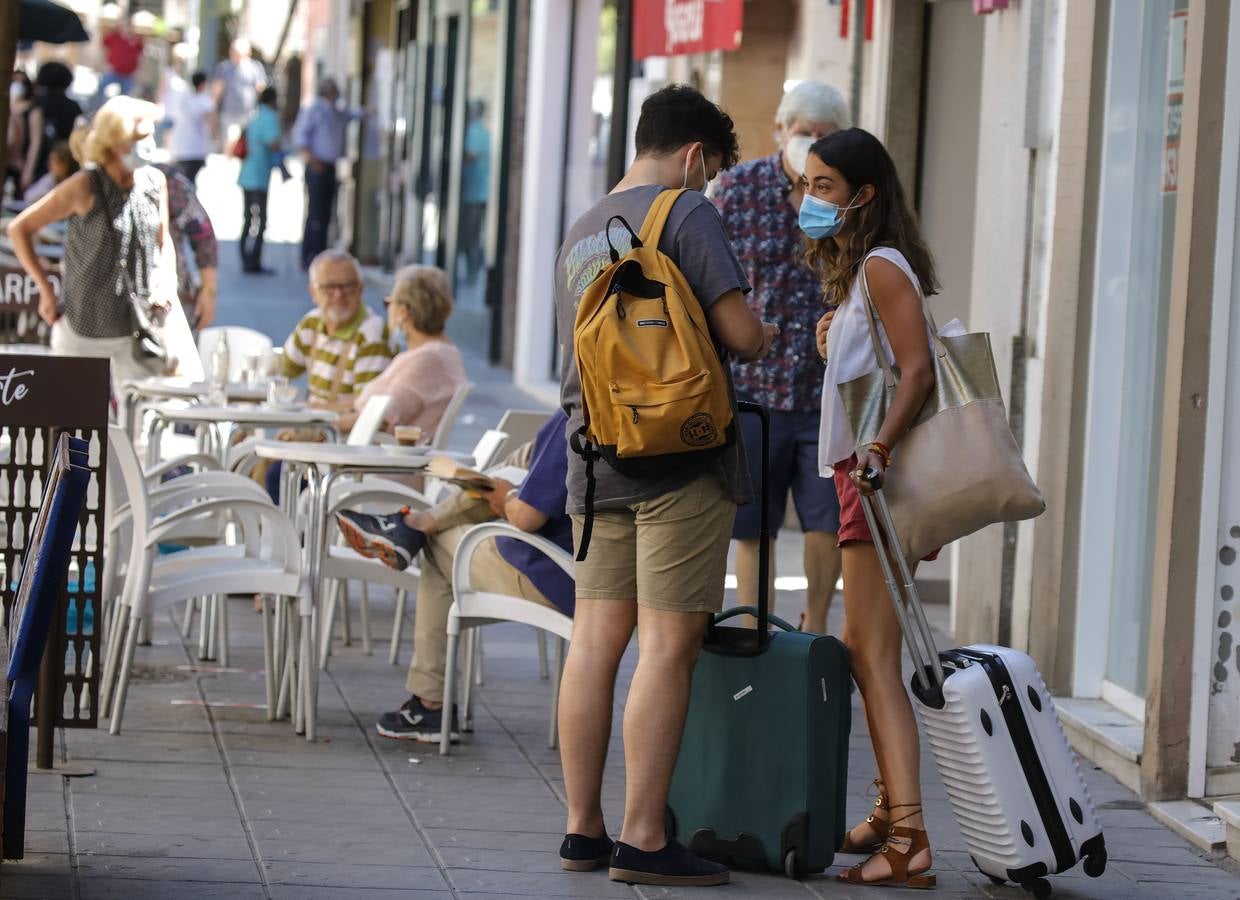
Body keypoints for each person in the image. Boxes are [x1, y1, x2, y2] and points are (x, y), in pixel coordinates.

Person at [553, 84, 777, 886]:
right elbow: (740, 336)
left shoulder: (580, 231)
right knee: (668, 645)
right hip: (681, 461)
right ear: (694, 155)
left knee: (594, 642)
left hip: (597, 455)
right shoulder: (688, 214)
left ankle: (582, 829)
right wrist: (770, 330)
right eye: (711, 169)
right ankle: (644, 837)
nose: (709, 183)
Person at [808, 128, 940, 888]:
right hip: (858, 476)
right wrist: (837, 342)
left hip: (871, 480)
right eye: (809, 185)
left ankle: (912, 836)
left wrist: (879, 449)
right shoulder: (868, 271)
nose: (811, 200)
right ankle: (893, 812)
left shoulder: (884, 266)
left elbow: (917, 372)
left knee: (872, 658)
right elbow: (886, 364)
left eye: (824, 186)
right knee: (865, 649)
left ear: (864, 194)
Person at [334, 409, 573, 742]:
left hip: (554, 575)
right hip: (603, 577)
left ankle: (430, 703)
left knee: (440, 544)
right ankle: (414, 524)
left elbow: (527, 517)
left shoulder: (577, 414)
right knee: (525, 457)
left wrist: (506, 498)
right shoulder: (633, 413)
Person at [710, 80, 849, 635]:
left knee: (827, 521)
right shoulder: (739, 189)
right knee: (753, 526)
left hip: (824, 392)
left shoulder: (848, 196)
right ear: (780, 132)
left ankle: (814, 623)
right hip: (754, 391)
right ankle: (755, 629)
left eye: (824, 134)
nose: (812, 142)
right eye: (803, 132)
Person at [7, 96, 178, 395]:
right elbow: (19, 229)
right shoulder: (85, 185)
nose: (150, 142)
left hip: (134, 328)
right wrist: (45, 289)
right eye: (141, 136)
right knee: (71, 425)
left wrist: (166, 283)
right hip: (82, 324)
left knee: (134, 429)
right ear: (116, 140)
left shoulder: (153, 182)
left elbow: (164, 242)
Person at [264, 249, 395, 500]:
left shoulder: (372, 334)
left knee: (276, 474)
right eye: (329, 287)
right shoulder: (312, 323)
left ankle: (290, 538)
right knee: (255, 460)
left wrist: (310, 411)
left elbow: (363, 406)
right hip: (319, 433)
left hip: (345, 445)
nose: (339, 295)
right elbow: (281, 374)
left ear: (360, 289)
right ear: (313, 292)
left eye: (347, 287)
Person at [347, 265, 466, 434]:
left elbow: (379, 419)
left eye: (388, 303)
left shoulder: (428, 361)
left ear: (403, 312)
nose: (388, 310)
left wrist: (324, 427)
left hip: (376, 451)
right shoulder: (436, 354)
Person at [292, 78, 359, 269]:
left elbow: (350, 115)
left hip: (330, 166)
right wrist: (313, 160)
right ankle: (310, 256)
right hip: (317, 166)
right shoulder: (314, 109)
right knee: (315, 214)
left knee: (326, 214)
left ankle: (320, 255)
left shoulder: (335, 111)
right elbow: (301, 137)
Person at [154, 163, 217, 329]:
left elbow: (204, 235)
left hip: (170, 299)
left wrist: (208, 291)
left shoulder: (166, 180)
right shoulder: (88, 182)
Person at [21, 63, 83, 195]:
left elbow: (34, 141)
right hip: (64, 165)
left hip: (37, 164)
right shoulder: (73, 106)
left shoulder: (37, 103)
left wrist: (28, 171)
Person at [238, 87, 281, 274]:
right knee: (260, 220)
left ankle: (245, 257)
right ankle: (253, 260)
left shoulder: (254, 117)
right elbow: (273, 142)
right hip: (259, 174)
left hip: (247, 173)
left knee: (248, 219)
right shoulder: (270, 118)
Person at [212, 38, 266, 146]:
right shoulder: (224, 67)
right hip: (230, 113)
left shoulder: (255, 67)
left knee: (248, 146)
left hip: (249, 114)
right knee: (229, 144)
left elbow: (260, 87)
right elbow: (217, 89)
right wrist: (214, 109)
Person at [459, 98, 490, 283]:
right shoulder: (482, 131)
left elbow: (469, 156)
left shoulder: (475, 131)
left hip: (474, 193)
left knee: (471, 235)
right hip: (478, 192)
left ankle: (473, 271)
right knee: (474, 234)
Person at [168, 72, 215, 185]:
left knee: (182, 179)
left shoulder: (184, 98)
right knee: (189, 181)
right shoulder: (205, 101)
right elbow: (211, 121)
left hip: (180, 147)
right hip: (196, 148)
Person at [99, 16, 144, 103]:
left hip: (128, 74)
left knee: (125, 99)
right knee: (101, 87)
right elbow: (103, 48)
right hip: (113, 71)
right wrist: (104, 63)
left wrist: (139, 70)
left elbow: (141, 56)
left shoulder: (136, 40)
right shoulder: (113, 36)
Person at [7, 70, 33, 198]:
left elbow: (35, 142)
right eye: (14, 81)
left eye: (21, 82)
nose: (17, 85)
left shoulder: (31, 109)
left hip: (18, 164)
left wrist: (28, 168)